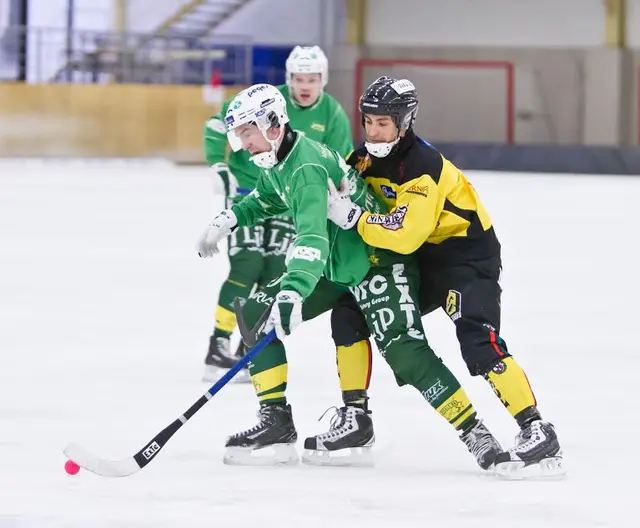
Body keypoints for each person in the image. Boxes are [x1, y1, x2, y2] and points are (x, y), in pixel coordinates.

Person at [196, 83, 504, 470]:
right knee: (257, 313)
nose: (241, 145)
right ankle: (276, 421)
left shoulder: (305, 166)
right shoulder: (284, 156)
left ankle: (475, 432)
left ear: (272, 125)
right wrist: (232, 217)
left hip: (378, 262)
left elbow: (311, 237)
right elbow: (270, 195)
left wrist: (292, 291)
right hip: (342, 265)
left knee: (405, 352)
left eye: (246, 133)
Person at [325, 76, 564, 478]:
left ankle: (535, 428)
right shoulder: (362, 158)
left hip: (467, 257)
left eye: (383, 122)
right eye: (368, 121)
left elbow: (405, 236)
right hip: (428, 260)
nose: (373, 131)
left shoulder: (423, 166)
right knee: (350, 311)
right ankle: (356, 417)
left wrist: (355, 218)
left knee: (478, 339)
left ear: (405, 121)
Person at [201, 45, 357, 384]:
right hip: (254, 190)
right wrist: (224, 187)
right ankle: (219, 343)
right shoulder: (262, 100)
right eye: (299, 78)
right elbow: (217, 127)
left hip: (300, 200)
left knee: (275, 269)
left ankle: (248, 347)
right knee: (247, 264)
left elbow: (332, 186)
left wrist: (295, 289)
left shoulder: (328, 118)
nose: (305, 85)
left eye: (312, 79)